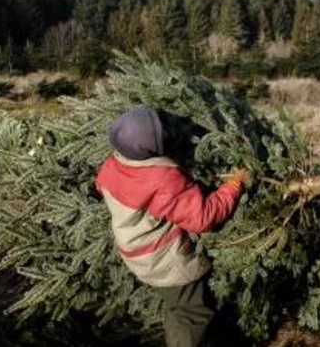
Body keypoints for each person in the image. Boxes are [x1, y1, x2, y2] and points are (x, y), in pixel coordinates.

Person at [95, 106, 248, 347]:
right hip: (165, 259)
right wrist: (234, 185)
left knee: (177, 305)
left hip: (135, 251)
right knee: (191, 312)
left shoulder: (111, 165)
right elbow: (203, 217)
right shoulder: (163, 178)